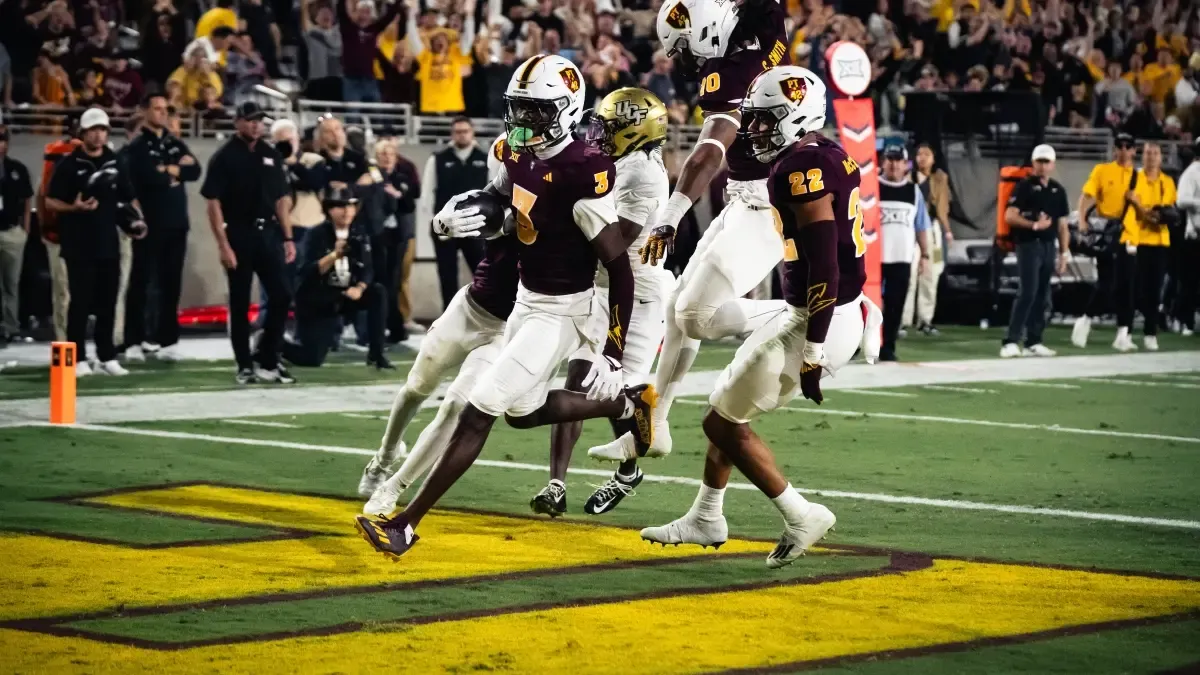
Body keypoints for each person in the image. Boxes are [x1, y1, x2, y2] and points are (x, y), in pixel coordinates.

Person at [354, 55, 655, 558]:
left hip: (563, 312)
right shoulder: (518, 154)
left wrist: (611, 351)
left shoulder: (584, 169)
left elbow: (618, 266)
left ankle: (404, 524)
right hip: (525, 300)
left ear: (565, 109)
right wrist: (473, 210)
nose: (522, 122)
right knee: (523, 412)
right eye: (518, 109)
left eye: (535, 112)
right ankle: (624, 403)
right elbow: (505, 206)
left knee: (478, 410)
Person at [641, 66, 876, 568]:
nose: (755, 131)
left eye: (768, 121)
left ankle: (800, 513)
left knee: (721, 421)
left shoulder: (798, 170)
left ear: (798, 117)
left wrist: (813, 348)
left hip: (817, 318)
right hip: (823, 310)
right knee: (729, 407)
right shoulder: (828, 153)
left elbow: (826, 264)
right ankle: (706, 516)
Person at [635, 0, 791, 458]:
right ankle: (656, 422)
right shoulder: (765, 31)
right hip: (749, 195)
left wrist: (670, 214)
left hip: (766, 203)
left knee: (696, 316)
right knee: (675, 305)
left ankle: (815, 313)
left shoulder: (724, 74)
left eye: (681, 47)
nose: (679, 58)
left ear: (702, 33)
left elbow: (708, 153)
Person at [358, 142, 518, 511]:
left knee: (456, 407)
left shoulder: (567, 208)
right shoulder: (498, 197)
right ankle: (383, 457)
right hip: (470, 309)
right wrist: (441, 222)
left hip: (506, 329)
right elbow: (458, 215)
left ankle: (394, 489)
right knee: (416, 388)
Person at [549, 87, 673, 516]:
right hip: (602, 288)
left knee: (623, 392)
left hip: (638, 295)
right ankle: (555, 484)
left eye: (608, 127)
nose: (597, 133)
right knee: (577, 381)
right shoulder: (620, 161)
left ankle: (629, 471)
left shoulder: (647, 174)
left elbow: (615, 245)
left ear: (634, 132)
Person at [44, 108, 148, 377]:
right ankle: (77, 357)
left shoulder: (115, 161)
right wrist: (74, 207)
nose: (99, 135)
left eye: (102, 129)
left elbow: (128, 197)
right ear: (83, 133)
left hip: (108, 243)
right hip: (78, 245)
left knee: (108, 302)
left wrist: (138, 221)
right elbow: (49, 201)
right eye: (93, 130)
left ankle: (106, 356)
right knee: (79, 302)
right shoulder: (68, 164)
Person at [200, 101, 297, 385]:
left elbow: (281, 200)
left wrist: (288, 237)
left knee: (281, 295)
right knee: (240, 301)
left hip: (268, 233)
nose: (256, 125)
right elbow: (213, 203)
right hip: (239, 233)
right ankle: (244, 364)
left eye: (260, 120)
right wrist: (223, 245)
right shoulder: (224, 156)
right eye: (251, 120)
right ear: (238, 122)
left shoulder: (270, 154)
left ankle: (268, 357)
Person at [123, 92, 201, 363]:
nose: (162, 114)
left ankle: (166, 338)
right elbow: (146, 177)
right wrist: (174, 170)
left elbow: (195, 170)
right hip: (150, 224)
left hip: (177, 223)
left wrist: (169, 170)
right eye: (156, 109)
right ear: (145, 111)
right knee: (141, 282)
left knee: (171, 283)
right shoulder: (137, 147)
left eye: (165, 109)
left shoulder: (173, 142)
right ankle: (133, 338)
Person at [283, 186, 391, 368]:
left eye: (350, 206)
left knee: (378, 292)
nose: (347, 211)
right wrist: (334, 255)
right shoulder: (315, 234)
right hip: (318, 299)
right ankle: (271, 343)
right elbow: (307, 273)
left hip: (346, 293)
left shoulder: (359, 234)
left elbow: (368, 269)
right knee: (311, 359)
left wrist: (360, 287)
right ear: (329, 209)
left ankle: (376, 353)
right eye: (340, 206)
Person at [1000, 144, 1070, 358]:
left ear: (1053, 164)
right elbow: (1009, 215)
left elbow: (1062, 225)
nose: (1042, 165)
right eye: (1039, 161)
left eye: (1046, 161)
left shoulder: (1058, 190)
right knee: (1028, 291)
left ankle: (1034, 340)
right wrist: (1033, 225)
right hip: (1028, 244)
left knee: (1042, 294)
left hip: (1048, 246)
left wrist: (1064, 253)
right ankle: (1011, 341)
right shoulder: (1024, 186)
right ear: (1033, 162)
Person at [1072, 133, 1137, 348]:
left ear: (1133, 151)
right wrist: (1082, 221)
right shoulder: (1102, 170)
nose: (1123, 150)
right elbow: (1085, 197)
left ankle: (1123, 333)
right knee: (1108, 282)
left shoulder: (1139, 177)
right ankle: (1085, 319)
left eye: (1128, 146)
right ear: (1114, 149)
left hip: (1130, 232)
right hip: (1108, 230)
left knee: (1127, 284)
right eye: (1120, 146)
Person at [421, 116, 489, 311]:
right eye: (458, 131)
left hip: (475, 227)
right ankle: (448, 317)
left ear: (472, 132)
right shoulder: (438, 159)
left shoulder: (484, 158)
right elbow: (427, 195)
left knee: (482, 272)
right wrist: (435, 223)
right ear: (452, 134)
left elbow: (494, 194)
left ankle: (483, 315)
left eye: (465, 131)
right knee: (447, 274)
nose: (462, 135)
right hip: (446, 227)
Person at [1115, 141, 1177, 352]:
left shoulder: (1167, 182)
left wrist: (1139, 205)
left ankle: (1150, 333)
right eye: (1148, 153)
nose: (1151, 157)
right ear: (1143, 156)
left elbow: (1159, 216)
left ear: (1161, 157)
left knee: (1154, 290)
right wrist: (1145, 210)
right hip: (1135, 240)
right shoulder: (1133, 178)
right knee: (1131, 289)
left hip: (1158, 241)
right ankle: (1125, 333)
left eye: (1155, 153)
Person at [877, 146, 931, 362]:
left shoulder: (913, 192)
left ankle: (888, 347)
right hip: (872, 258)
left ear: (906, 164)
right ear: (883, 162)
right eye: (890, 159)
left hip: (901, 258)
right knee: (865, 304)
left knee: (895, 304)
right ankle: (856, 345)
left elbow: (921, 226)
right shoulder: (870, 187)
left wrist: (926, 255)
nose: (894, 164)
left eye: (898, 160)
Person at [374, 138, 421, 342]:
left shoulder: (402, 177)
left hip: (398, 236)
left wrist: (398, 195)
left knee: (394, 281)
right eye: (383, 154)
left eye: (390, 154)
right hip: (377, 234)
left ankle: (395, 326)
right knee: (378, 280)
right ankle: (378, 325)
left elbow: (410, 204)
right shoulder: (372, 177)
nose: (386, 158)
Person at [903, 143, 952, 336]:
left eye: (926, 154)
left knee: (932, 275)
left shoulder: (939, 179)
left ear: (933, 158)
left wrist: (948, 231)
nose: (922, 158)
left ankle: (926, 320)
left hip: (933, 232)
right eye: (919, 154)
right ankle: (903, 321)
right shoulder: (908, 179)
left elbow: (943, 208)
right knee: (910, 277)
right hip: (911, 232)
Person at [0, 124, 33, 344]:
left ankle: (11, 327)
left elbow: (27, 199)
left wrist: (26, 230)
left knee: (11, 283)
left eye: (2, 139)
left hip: (12, 232)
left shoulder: (17, 169)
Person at [1175, 138, 1200, 336]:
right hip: (1195, 235)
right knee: (1191, 282)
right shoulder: (1191, 173)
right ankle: (1186, 322)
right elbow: (1181, 200)